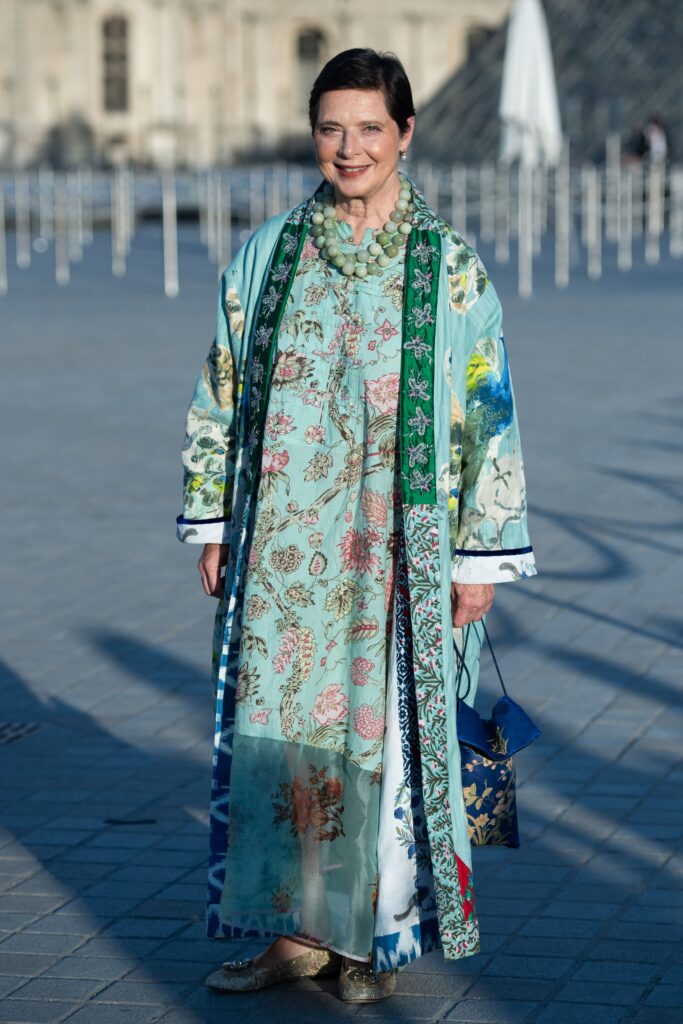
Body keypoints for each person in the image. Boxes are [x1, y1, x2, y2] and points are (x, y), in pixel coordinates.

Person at [176, 48, 536, 1003]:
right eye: (332, 127)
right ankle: (295, 931)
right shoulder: (269, 254)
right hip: (286, 549)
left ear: (405, 134)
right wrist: (215, 521)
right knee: (282, 734)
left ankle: (366, 939)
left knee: (382, 736)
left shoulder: (447, 267)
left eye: (369, 127)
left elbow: (488, 411)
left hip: (396, 550)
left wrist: (481, 556)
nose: (350, 147)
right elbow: (221, 389)